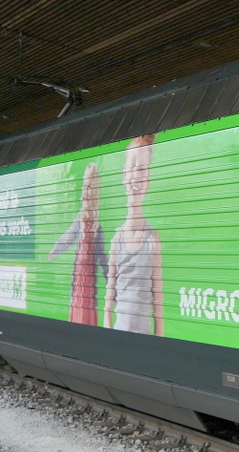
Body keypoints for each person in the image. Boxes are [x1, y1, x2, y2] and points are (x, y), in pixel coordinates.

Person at [103, 135, 164, 336]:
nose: (137, 176)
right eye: (133, 167)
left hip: (144, 336)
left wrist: (159, 335)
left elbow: (158, 293)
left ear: (148, 179)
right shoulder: (117, 239)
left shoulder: (152, 239)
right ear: (123, 174)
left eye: (143, 169)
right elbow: (110, 288)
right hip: (119, 331)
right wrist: (106, 326)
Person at [49, 162, 108, 325]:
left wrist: (109, 276)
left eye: (90, 187)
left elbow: (102, 254)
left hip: (90, 273)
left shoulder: (97, 225)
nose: (86, 191)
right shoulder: (80, 219)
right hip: (80, 271)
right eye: (85, 186)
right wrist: (56, 249)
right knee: (78, 298)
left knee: (88, 301)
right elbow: (69, 236)